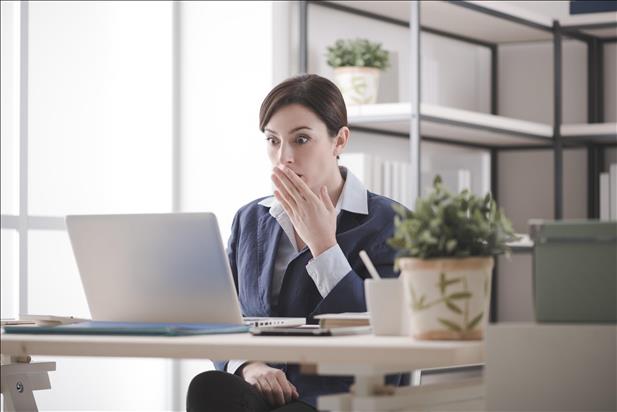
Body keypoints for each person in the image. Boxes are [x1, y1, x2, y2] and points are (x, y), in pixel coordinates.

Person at [186, 74, 407, 412]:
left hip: (341, 398)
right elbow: (222, 320)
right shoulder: (249, 220)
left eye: (301, 139)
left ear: (339, 141)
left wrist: (324, 246)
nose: (283, 157)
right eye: (273, 141)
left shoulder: (391, 223)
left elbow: (383, 338)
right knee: (208, 387)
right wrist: (248, 365)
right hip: (261, 397)